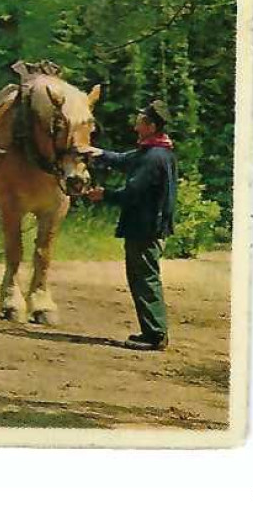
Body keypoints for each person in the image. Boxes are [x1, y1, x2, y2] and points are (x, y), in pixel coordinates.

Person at [83, 100, 179, 350]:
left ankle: (155, 334)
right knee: (143, 277)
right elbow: (125, 160)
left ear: (150, 125)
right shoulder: (156, 151)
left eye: (140, 120)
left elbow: (132, 192)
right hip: (146, 227)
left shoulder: (153, 157)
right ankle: (152, 331)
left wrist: (105, 195)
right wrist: (100, 154)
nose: (136, 124)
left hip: (144, 228)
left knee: (145, 279)